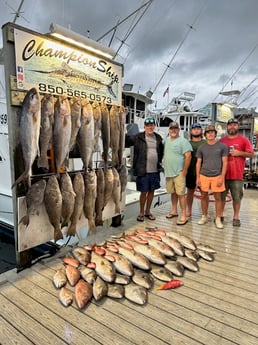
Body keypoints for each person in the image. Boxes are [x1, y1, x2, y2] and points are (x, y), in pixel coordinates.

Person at [125, 117, 164, 222]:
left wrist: (160, 163)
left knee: (152, 191)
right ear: (145, 127)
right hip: (143, 170)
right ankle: (141, 212)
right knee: (143, 192)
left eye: (152, 125)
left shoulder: (158, 138)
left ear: (154, 126)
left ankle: (148, 211)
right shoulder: (138, 137)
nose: (150, 127)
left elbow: (161, 151)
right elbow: (126, 142)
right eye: (148, 125)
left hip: (155, 170)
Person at [220, 118, 254, 226]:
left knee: (237, 197)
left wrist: (239, 152)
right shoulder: (221, 141)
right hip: (223, 174)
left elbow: (251, 154)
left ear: (238, 127)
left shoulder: (244, 140)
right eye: (230, 125)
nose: (232, 127)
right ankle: (220, 215)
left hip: (237, 175)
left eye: (235, 125)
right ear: (227, 127)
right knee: (221, 197)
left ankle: (236, 217)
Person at [196, 124, 228, 229]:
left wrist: (222, 177)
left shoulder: (222, 146)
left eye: (212, 132)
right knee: (203, 196)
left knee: (218, 197)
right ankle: (204, 216)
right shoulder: (202, 147)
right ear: (205, 135)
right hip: (204, 174)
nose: (210, 134)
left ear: (215, 134)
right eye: (208, 132)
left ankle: (218, 218)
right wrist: (198, 177)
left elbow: (225, 162)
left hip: (217, 175)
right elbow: (198, 163)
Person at [163, 121, 192, 225]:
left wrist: (184, 171)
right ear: (169, 130)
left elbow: (188, 156)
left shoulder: (183, 141)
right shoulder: (166, 140)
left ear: (179, 130)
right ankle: (174, 211)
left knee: (181, 194)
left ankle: (184, 214)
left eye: (175, 128)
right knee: (173, 193)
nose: (173, 130)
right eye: (171, 128)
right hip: (169, 172)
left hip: (179, 172)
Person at [186, 123, 206, 217]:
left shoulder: (205, 143)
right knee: (190, 192)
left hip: (203, 172)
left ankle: (204, 213)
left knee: (204, 193)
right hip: (190, 172)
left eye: (198, 128)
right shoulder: (187, 143)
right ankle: (189, 211)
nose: (196, 130)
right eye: (194, 129)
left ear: (201, 131)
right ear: (191, 131)